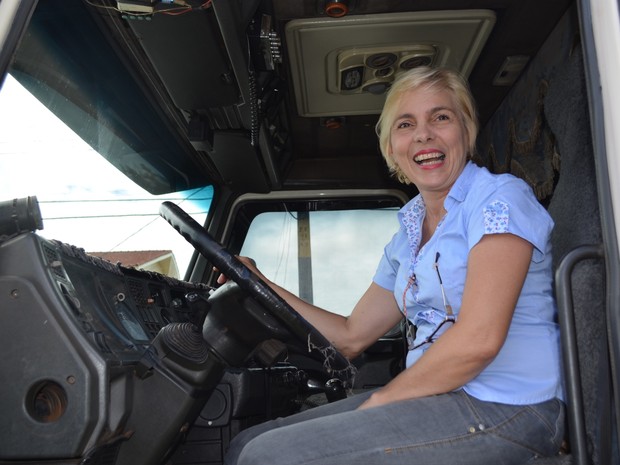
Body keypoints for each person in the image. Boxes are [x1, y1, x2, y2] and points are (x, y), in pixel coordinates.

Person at [222, 66, 565, 465]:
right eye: (406, 124)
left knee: (265, 458)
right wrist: (255, 279)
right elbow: (351, 336)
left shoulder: (498, 199)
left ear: (466, 132)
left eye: (441, 117)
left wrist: (385, 399)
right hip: (439, 395)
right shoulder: (408, 233)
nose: (424, 134)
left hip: (509, 407)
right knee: (248, 443)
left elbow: (479, 341)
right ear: (391, 148)